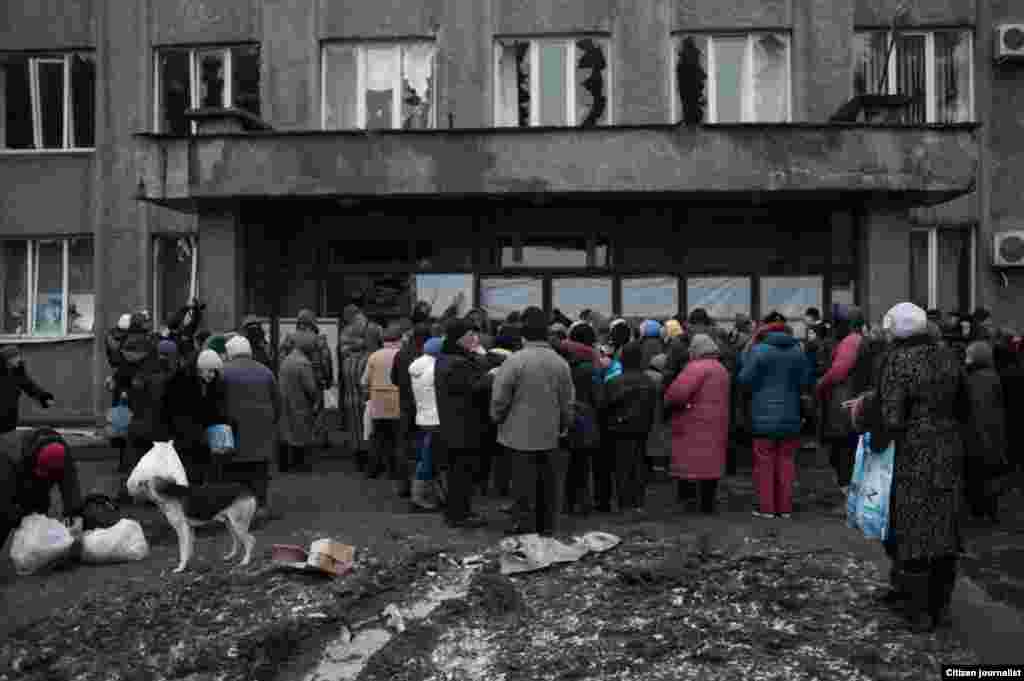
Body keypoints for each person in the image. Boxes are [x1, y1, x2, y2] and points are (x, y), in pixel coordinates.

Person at [871, 301, 967, 633]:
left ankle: (916, 609)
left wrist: (877, 441)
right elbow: (964, 404)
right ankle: (941, 605)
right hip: (950, 448)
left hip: (913, 452)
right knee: (944, 527)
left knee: (912, 527)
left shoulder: (898, 360)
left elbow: (892, 416)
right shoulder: (947, 355)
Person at [491, 307, 575, 535]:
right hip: (549, 434)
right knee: (547, 485)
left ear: (523, 335)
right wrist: (565, 425)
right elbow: (568, 401)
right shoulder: (560, 363)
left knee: (521, 486)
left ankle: (523, 527)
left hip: (516, 434)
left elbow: (500, 398)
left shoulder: (514, 362)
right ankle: (546, 527)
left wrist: (497, 418)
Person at [737, 315, 815, 519]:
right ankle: (786, 508)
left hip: (763, 416)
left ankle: (767, 508)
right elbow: (806, 380)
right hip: (791, 415)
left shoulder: (758, 351)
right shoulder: (798, 352)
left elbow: (743, 379)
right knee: (787, 461)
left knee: (764, 462)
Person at [436, 318, 493, 529]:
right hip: (463, 425)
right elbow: (473, 388)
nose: (475, 338)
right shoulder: (457, 363)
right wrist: (491, 378)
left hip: (452, 424)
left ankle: (456, 512)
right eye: (470, 335)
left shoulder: (446, 358)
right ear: (459, 338)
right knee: (462, 473)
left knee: (457, 472)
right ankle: (460, 515)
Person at [664, 334, 731, 514]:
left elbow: (676, 395)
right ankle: (708, 504)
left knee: (691, 464)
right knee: (711, 465)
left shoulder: (695, 368)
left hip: (693, 422)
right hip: (717, 423)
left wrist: (668, 403)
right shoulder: (721, 369)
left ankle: (689, 501)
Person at [222, 336, 280, 517]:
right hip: (262, 431)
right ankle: (260, 507)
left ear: (230, 352)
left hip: (234, 431)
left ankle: (237, 508)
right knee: (259, 471)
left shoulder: (223, 372)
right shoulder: (266, 372)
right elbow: (277, 401)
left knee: (235, 471)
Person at [1, 427, 83, 550]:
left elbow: (71, 486)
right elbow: (5, 500)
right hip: (15, 479)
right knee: (6, 516)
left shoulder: (64, 459)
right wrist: (16, 516)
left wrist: (74, 514)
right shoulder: (14, 457)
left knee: (39, 510)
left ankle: (35, 549)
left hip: (37, 481)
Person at [816, 304, 865, 498]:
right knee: (846, 452)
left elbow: (838, 372)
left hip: (843, 406)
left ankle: (850, 497)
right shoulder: (857, 340)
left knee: (843, 453)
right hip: (849, 405)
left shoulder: (851, 341)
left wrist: (820, 383)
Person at [603, 341, 658, 514]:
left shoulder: (614, 382)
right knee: (639, 464)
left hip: (619, 429)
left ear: (623, 359)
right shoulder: (648, 381)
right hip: (642, 428)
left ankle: (625, 501)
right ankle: (638, 501)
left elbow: (605, 406)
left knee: (622, 466)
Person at [962, 340, 1008, 523]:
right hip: (993, 431)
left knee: (975, 474)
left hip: (974, 432)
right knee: (989, 473)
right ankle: (989, 509)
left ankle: (978, 509)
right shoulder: (993, 376)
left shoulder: (970, 378)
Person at [563, 321, 602, 515]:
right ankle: (583, 503)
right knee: (583, 463)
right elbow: (598, 396)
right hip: (586, 417)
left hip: (563, 416)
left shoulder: (561, 360)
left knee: (565, 463)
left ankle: (566, 503)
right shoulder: (591, 365)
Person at [362, 325, 405, 492]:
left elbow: (364, 381)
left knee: (378, 437)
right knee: (396, 439)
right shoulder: (401, 355)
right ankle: (394, 471)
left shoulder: (374, 356)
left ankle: (372, 470)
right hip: (396, 402)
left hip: (378, 402)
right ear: (398, 340)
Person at [393, 323, 432, 498]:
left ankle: (403, 485)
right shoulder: (428, 356)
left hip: (405, 404)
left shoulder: (401, 354)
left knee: (403, 444)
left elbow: (393, 378)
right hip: (424, 406)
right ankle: (422, 485)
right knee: (424, 445)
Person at [408, 337, 443, 512]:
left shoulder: (417, 366)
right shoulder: (434, 369)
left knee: (427, 454)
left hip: (422, 417)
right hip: (436, 418)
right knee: (429, 458)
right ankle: (419, 497)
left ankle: (428, 494)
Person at [278, 332, 320, 475]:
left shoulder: (286, 360)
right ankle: (299, 465)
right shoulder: (303, 363)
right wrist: (315, 400)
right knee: (300, 434)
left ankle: (283, 465)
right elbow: (311, 388)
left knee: (286, 432)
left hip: (285, 402)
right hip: (300, 402)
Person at [341, 321, 378, 471]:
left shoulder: (346, 362)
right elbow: (366, 383)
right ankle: (367, 461)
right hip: (363, 399)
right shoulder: (366, 360)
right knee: (366, 430)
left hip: (349, 399)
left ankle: (358, 461)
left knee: (354, 431)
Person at [1, 346, 54, 435]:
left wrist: (44, 397)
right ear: (7, 359)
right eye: (15, 357)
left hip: (10, 419)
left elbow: (30, 386)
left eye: (18, 356)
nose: (18, 359)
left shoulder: (18, 373)